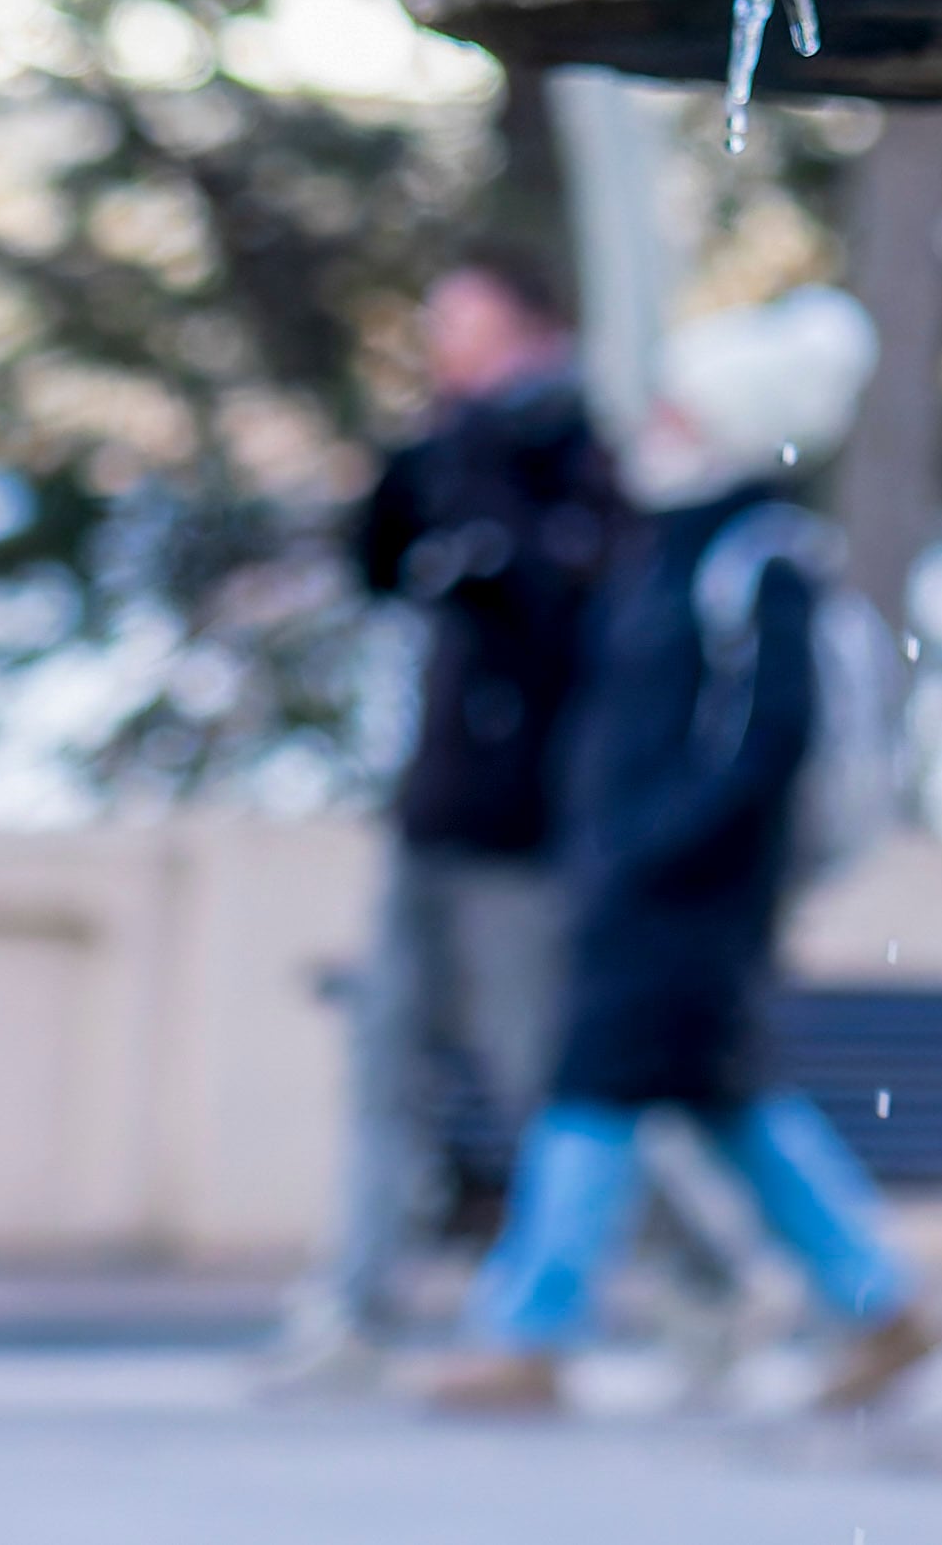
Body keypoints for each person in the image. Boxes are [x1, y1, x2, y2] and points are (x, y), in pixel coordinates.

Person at [428, 286, 940, 1416]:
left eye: (673, 411)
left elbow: (769, 736)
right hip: (645, 886)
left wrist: (660, 848)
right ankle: (881, 1299)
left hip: (687, 898)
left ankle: (530, 1331)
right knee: (730, 1105)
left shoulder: (763, 560)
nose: (651, 429)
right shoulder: (668, 551)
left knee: (590, 1096)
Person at [269, 245, 617, 1391]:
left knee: (543, 1086)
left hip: (526, 832)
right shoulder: (448, 449)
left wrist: (493, 509)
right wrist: (418, 464)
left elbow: (569, 613)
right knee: (385, 1070)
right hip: (432, 813)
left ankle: (692, 1288)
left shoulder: (578, 445)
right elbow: (381, 566)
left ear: (525, 327)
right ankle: (354, 1311)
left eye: (460, 323)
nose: (441, 347)